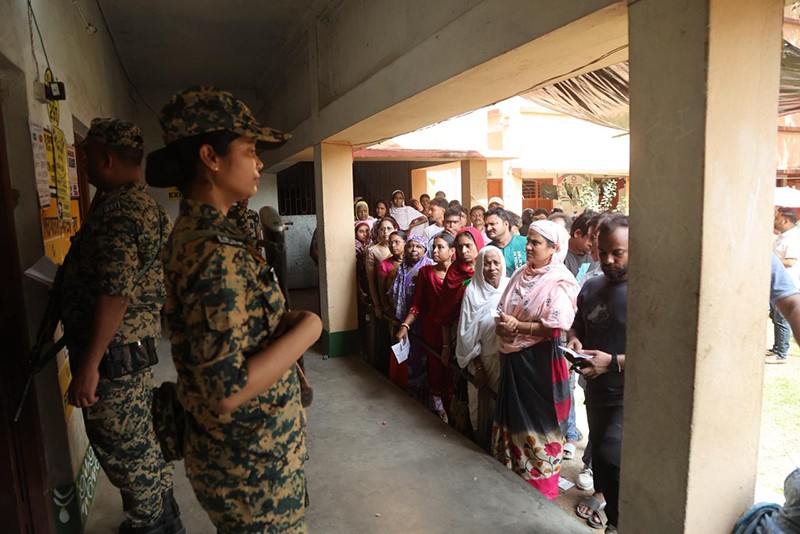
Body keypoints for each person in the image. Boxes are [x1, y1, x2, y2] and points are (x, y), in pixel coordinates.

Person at [147, 86, 322, 532]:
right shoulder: (211, 252)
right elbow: (226, 390)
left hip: (252, 454)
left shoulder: (215, 235)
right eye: (249, 150)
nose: (259, 162)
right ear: (211, 157)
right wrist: (309, 329)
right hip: (250, 470)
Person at [61, 118, 182, 534]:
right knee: (142, 446)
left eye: (89, 156)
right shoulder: (141, 206)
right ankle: (166, 521)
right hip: (129, 351)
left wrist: (88, 366)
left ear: (106, 157)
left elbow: (115, 294)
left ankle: (151, 526)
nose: (85, 164)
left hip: (112, 357)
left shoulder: (118, 214)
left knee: (124, 453)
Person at [492, 219, 580, 500]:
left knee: (539, 424)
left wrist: (518, 327)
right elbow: (502, 309)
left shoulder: (559, 281)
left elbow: (557, 325)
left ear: (554, 248)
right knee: (512, 420)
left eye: (536, 242)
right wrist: (505, 326)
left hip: (539, 364)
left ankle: (539, 490)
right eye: (528, 240)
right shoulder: (520, 273)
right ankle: (511, 477)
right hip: (514, 361)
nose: (528, 247)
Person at [566, 213, 629, 532]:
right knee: (602, 463)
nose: (608, 259)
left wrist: (614, 361)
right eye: (603, 251)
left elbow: (660, 354)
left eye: (617, 252)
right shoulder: (591, 285)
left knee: (613, 457)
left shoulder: (647, 294)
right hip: (595, 392)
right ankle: (615, 522)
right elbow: (579, 323)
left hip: (629, 397)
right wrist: (574, 339)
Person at [397, 233, 456, 422]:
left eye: (441, 247)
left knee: (454, 372)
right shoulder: (426, 273)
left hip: (455, 332)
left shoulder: (461, 275)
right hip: (432, 331)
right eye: (434, 247)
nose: (435, 251)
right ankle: (440, 411)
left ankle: (456, 414)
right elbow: (417, 304)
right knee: (435, 369)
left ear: (452, 251)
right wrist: (406, 324)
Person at [456, 245, 509, 450]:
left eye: (496, 262)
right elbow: (466, 334)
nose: (492, 267)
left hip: (506, 358)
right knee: (479, 408)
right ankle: (481, 447)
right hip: (482, 360)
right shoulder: (472, 292)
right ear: (480, 266)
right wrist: (478, 366)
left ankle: (498, 450)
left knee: (502, 408)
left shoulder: (509, 285)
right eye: (487, 263)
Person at [440, 227, 485, 430]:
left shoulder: (490, 265)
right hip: (461, 333)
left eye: (468, 245)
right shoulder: (454, 273)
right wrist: (446, 345)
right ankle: (466, 428)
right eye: (459, 247)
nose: (464, 251)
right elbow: (445, 313)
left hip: (488, 334)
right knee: (463, 383)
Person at [388, 236, 433, 395]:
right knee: (406, 355)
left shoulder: (429, 268)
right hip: (403, 318)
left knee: (422, 356)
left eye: (418, 247)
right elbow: (393, 292)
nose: (414, 250)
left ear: (425, 250)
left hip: (422, 320)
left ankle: (423, 393)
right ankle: (408, 389)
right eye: (411, 246)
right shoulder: (401, 268)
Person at [768, 207, 800, 364]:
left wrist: (767, 262)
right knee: (776, 318)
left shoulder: (793, 238)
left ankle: (781, 353)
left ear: (786, 220)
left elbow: (790, 261)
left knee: (782, 319)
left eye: (777, 217)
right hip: (778, 285)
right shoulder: (781, 237)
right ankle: (777, 348)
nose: (774, 220)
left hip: (788, 285)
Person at [484, 208, 527, 277]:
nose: (488, 228)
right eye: (486, 226)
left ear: (506, 224)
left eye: (492, 224)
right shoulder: (487, 250)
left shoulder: (525, 243)